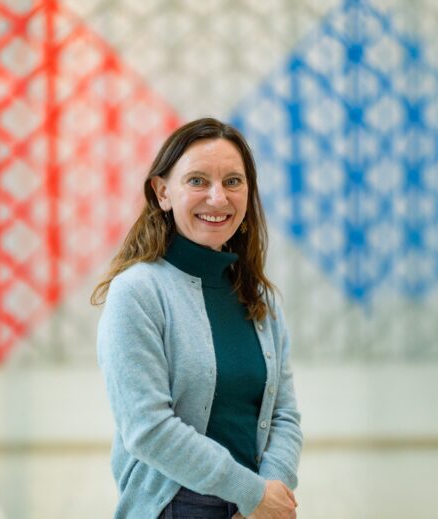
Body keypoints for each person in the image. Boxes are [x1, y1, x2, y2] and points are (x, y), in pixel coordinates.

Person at [92, 118, 303, 519]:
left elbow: (284, 415)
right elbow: (148, 428)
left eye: (233, 182)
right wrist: (250, 491)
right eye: (197, 181)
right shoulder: (136, 292)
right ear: (162, 192)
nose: (218, 198)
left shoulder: (258, 298)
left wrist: (267, 494)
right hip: (175, 507)